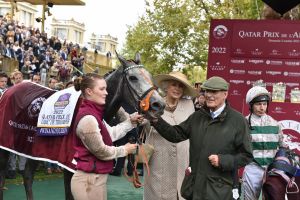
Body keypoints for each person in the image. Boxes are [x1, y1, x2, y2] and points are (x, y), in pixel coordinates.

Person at [150, 76, 253, 200]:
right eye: (207, 91)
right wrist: (155, 119)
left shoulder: (238, 121)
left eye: (214, 92)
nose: (209, 95)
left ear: (225, 94)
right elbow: (175, 134)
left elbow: (246, 155)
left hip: (218, 192)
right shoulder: (197, 117)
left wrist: (223, 160)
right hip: (194, 189)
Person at [70, 73, 143, 200]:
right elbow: (101, 151)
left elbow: (111, 134)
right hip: (88, 180)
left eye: (106, 89)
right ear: (89, 91)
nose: (106, 93)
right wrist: (125, 150)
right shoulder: (88, 118)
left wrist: (130, 121)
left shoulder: (93, 114)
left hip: (96, 179)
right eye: (102, 89)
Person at [144, 71, 196, 200]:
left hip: (183, 161)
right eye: (174, 85)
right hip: (158, 160)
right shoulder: (154, 104)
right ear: (166, 87)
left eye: (181, 86)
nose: (177, 89)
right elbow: (141, 123)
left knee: (181, 193)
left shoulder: (189, 105)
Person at [242, 86, 284, 200]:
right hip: (252, 168)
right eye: (258, 104)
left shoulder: (275, 124)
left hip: (272, 171)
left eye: (264, 104)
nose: (262, 107)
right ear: (251, 105)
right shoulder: (244, 124)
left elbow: (283, 147)